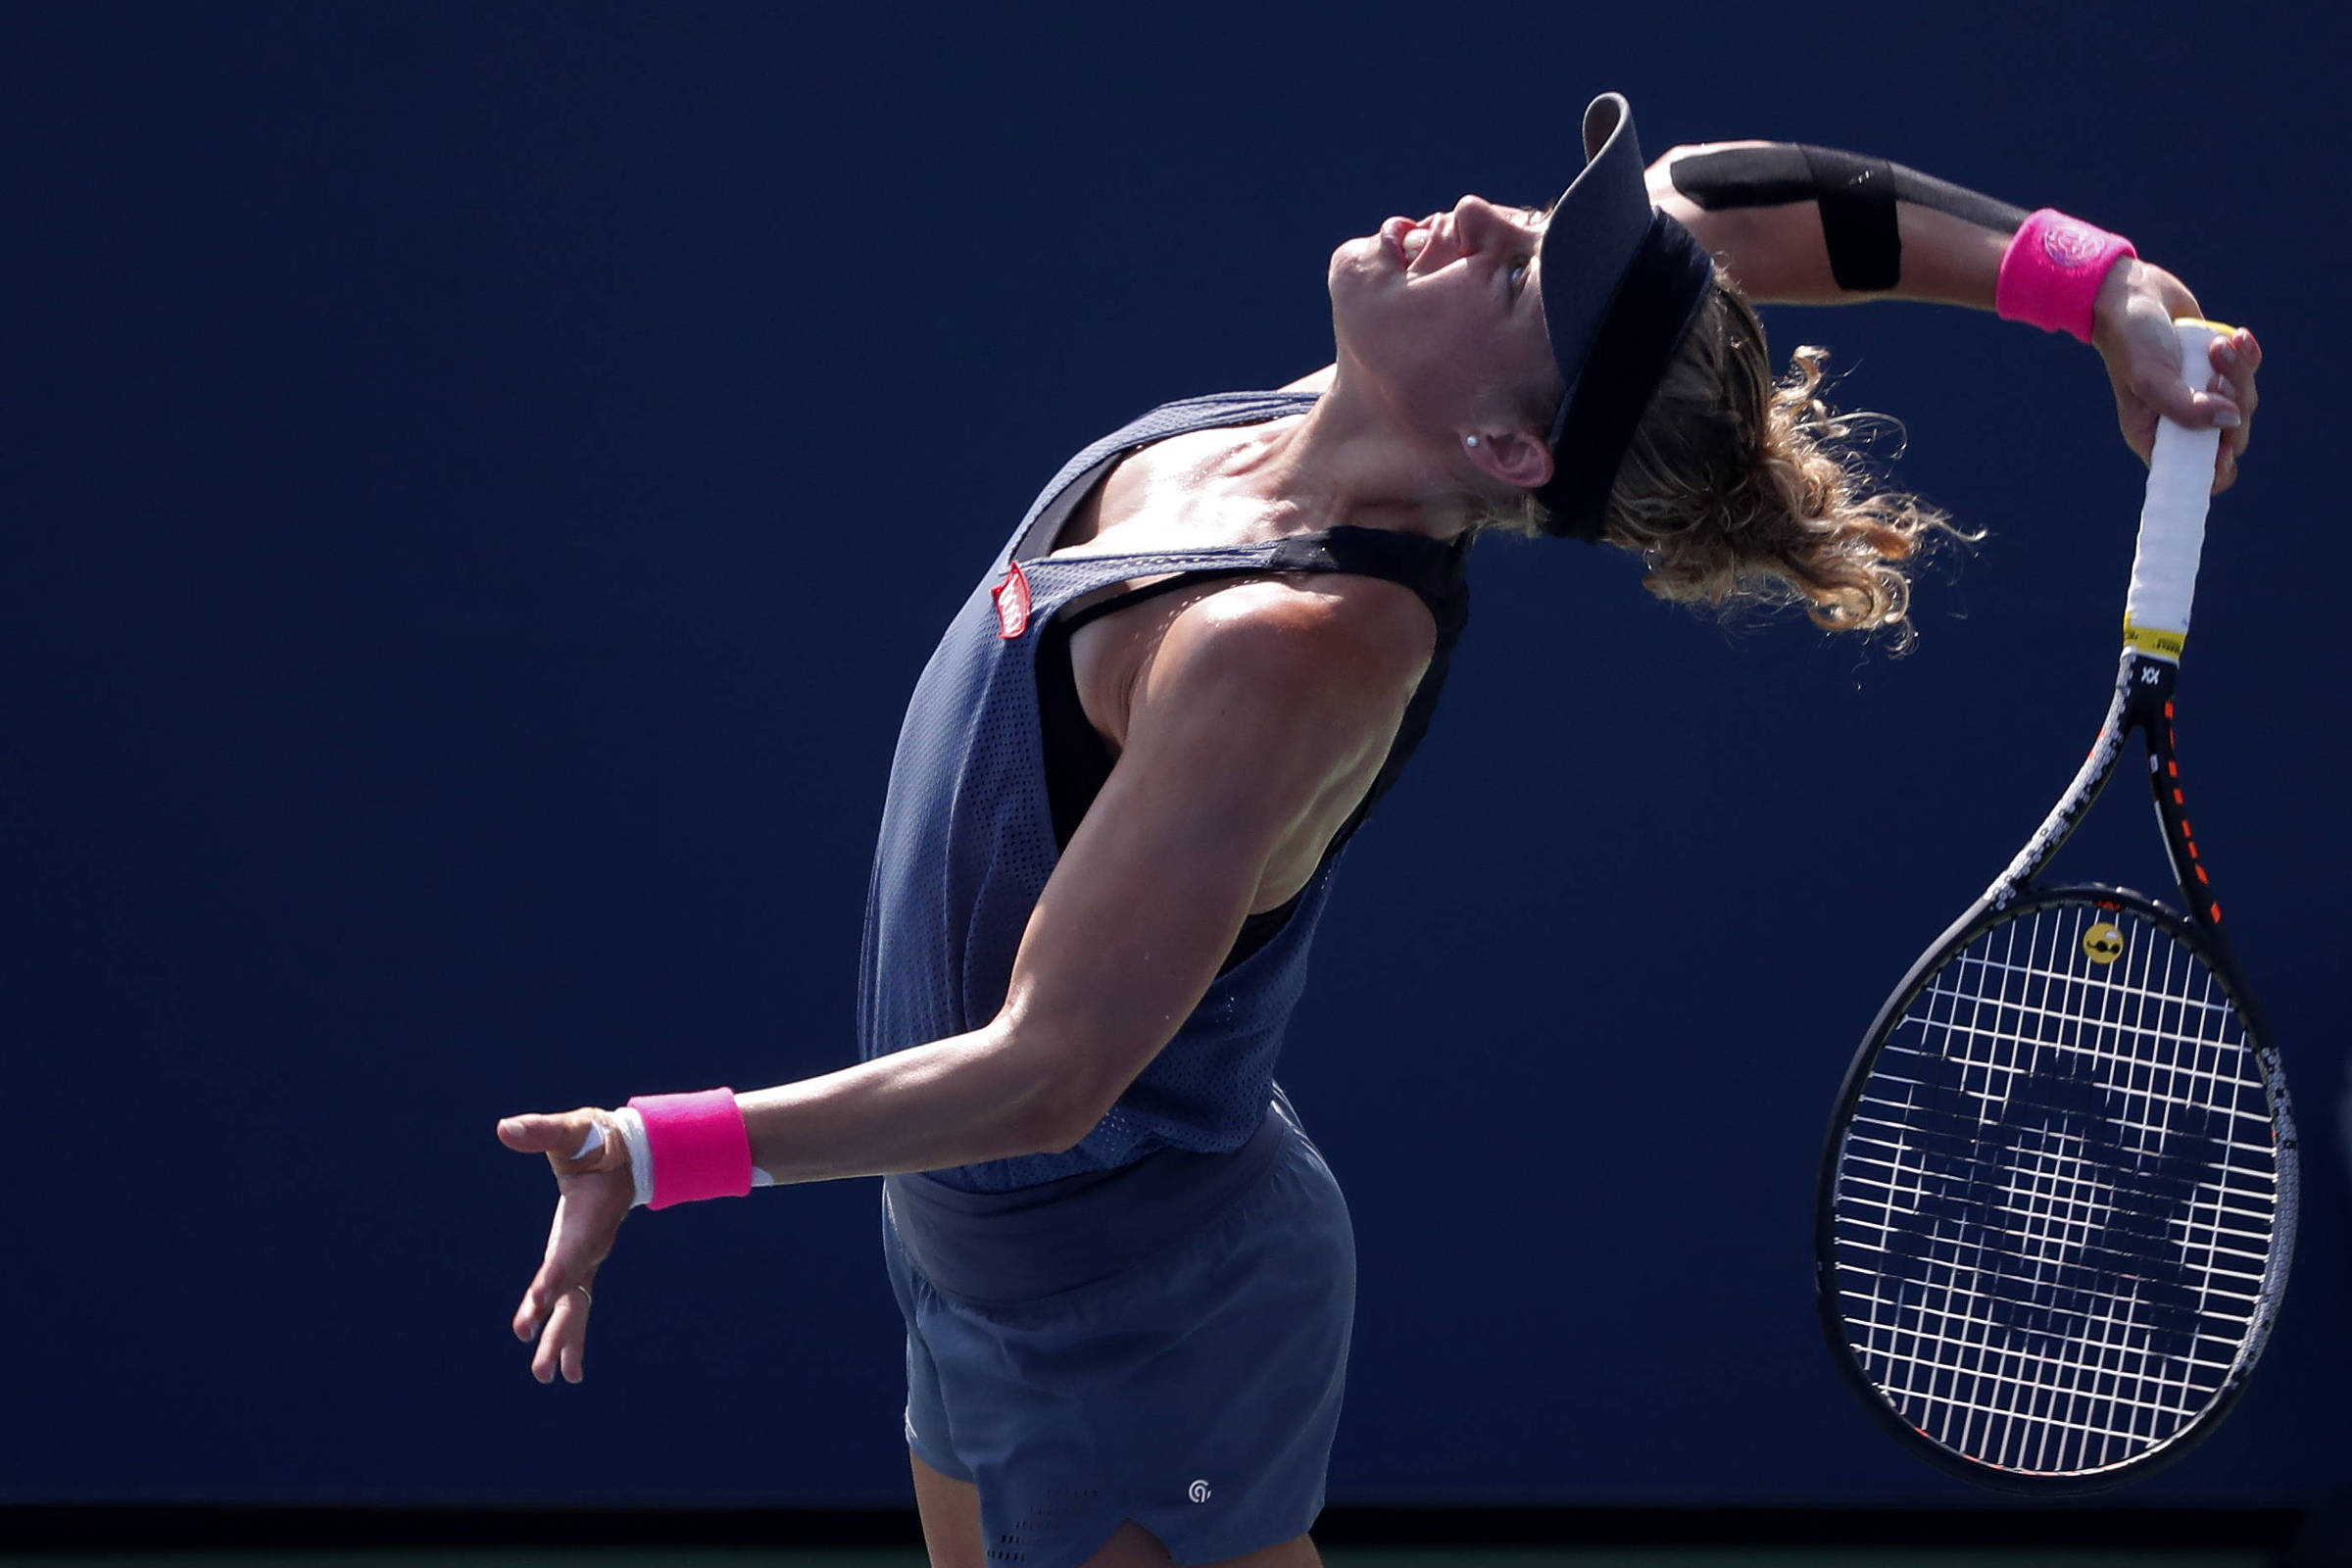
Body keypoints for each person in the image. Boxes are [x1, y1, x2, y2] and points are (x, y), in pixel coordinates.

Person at [495, 94, 2261, 1568]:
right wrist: (2090, 281)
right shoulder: (1366, 430)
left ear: (1504, 445)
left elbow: (1046, 1071)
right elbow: (1725, 209)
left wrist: (659, 1149)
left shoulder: (1292, 643)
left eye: (1522, 277)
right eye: (1531, 226)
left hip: (1135, 1309)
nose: (1490, 215)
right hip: (980, 1242)